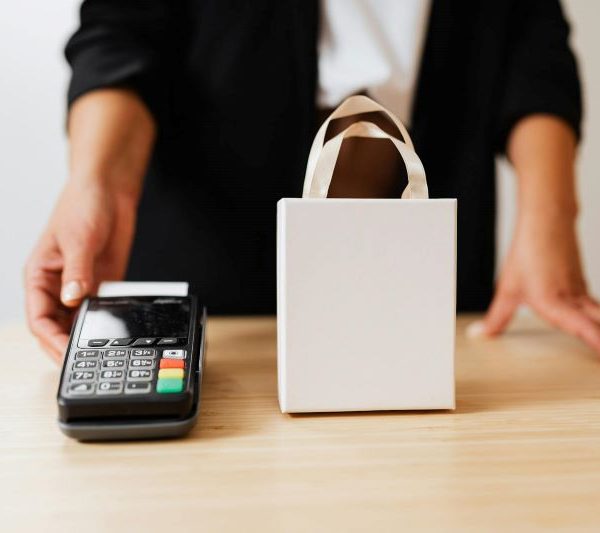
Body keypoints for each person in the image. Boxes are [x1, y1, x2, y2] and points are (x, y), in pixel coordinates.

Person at [26, 0, 600, 362]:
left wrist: (551, 214)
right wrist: (96, 183)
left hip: (421, 207)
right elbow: (123, 30)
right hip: (215, 222)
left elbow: (533, 38)